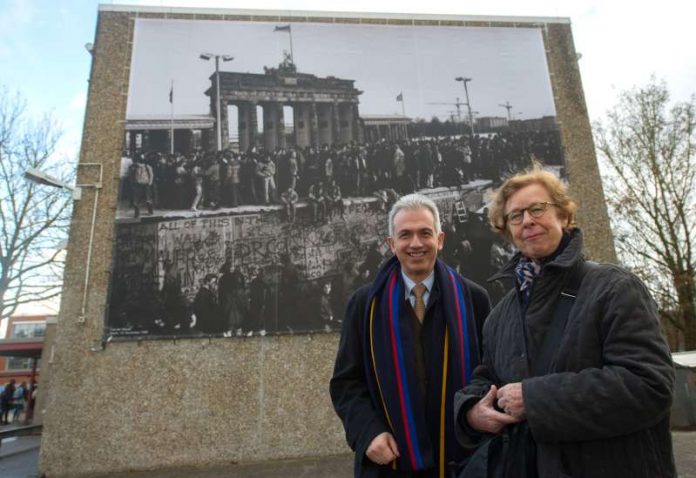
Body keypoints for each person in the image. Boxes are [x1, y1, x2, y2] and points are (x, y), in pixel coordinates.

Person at [454, 163, 676, 478]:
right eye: (516, 216)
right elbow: (485, 379)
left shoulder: (614, 288)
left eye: (537, 209)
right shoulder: (499, 316)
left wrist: (534, 399)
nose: (527, 220)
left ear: (563, 215)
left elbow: (649, 386)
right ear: (507, 231)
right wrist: (471, 411)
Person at [330, 193, 491, 478]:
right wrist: (368, 433)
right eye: (405, 235)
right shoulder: (365, 304)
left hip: (460, 459)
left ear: (440, 240)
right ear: (392, 244)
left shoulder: (473, 299)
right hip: (389, 461)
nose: (415, 243)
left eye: (424, 233)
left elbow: (489, 373)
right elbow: (346, 383)